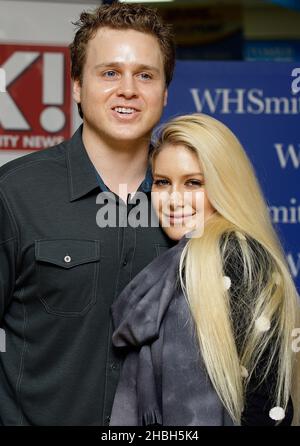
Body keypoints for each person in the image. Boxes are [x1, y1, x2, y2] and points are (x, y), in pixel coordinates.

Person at [0, 3, 176, 425]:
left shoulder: (194, 200)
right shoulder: (14, 193)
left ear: (165, 92)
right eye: (110, 72)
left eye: (146, 75)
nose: (129, 89)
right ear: (77, 86)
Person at [110, 113, 300, 426]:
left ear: (226, 187)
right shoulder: (176, 259)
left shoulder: (239, 257)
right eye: (162, 182)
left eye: (193, 183)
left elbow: (269, 403)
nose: (173, 199)